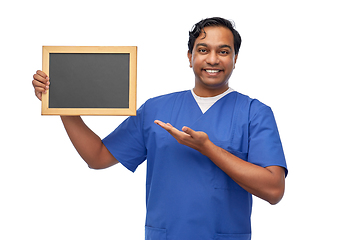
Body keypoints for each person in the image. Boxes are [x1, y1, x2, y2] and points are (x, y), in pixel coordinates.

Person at [32, 17, 287, 240]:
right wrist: (61, 103)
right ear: (190, 57)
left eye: (223, 51)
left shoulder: (255, 113)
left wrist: (208, 148)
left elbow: (274, 190)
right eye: (202, 49)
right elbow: (97, 157)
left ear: (235, 58)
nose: (212, 59)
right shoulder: (155, 110)